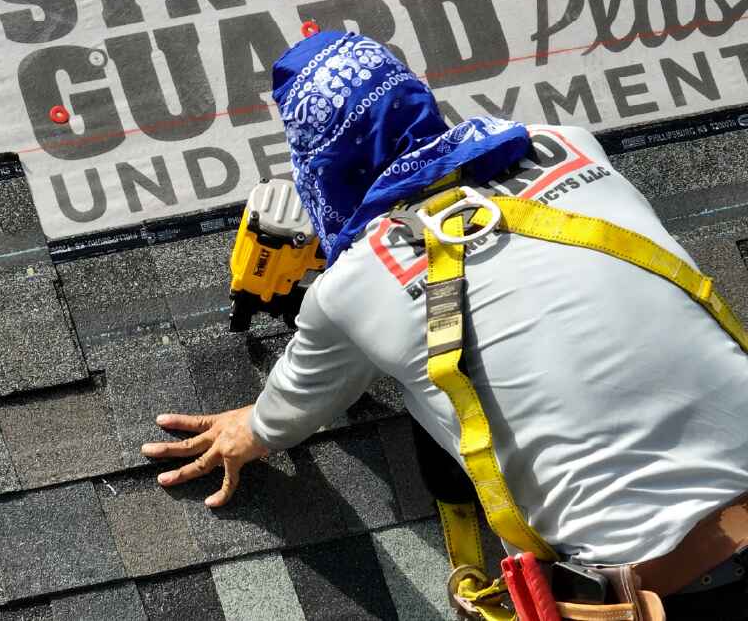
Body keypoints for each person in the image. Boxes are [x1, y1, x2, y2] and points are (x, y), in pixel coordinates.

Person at [141, 32, 748, 618]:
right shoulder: (571, 143)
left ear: (319, 165)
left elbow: (285, 411)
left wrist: (249, 427)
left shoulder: (350, 286)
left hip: (660, 596)